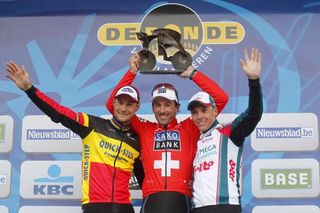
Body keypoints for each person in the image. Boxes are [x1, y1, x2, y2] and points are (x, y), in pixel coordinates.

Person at [5, 62, 143, 213]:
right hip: (95, 206)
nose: (123, 108)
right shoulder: (92, 125)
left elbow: (145, 180)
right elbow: (58, 112)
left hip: (124, 208)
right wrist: (29, 90)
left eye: (129, 104)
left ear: (136, 107)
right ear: (113, 103)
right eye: (120, 102)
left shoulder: (136, 141)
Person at [106, 53, 229, 213]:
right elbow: (112, 106)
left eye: (167, 104)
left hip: (181, 198)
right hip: (151, 199)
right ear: (152, 108)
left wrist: (193, 73)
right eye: (157, 105)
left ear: (177, 107)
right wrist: (131, 72)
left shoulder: (190, 127)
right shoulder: (144, 128)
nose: (162, 110)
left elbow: (221, 99)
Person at [187, 48, 263, 213]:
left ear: (215, 111)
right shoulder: (194, 141)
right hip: (198, 208)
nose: (199, 116)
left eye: (204, 110)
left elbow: (253, 114)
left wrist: (254, 80)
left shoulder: (228, 132)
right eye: (195, 112)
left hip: (226, 207)